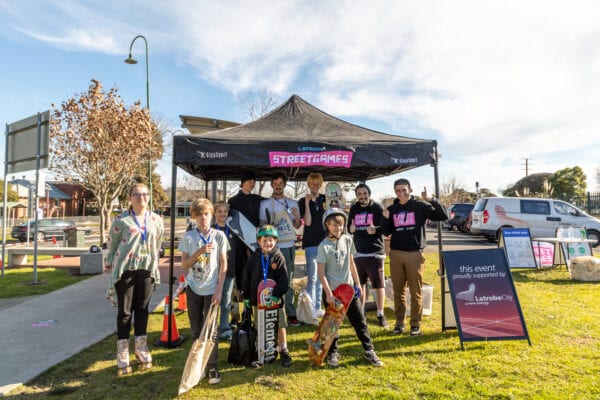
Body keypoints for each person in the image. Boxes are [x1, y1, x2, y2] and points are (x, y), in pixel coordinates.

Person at [105, 183, 164, 377]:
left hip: (146, 268)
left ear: (149, 197)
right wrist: (109, 261)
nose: (141, 197)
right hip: (126, 268)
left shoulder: (156, 220)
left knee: (142, 308)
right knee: (125, 310)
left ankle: (141, 346)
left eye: (145, 194)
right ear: (130, 197)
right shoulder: (121, 221)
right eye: (136, 194)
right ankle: (122, 350)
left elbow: (158, 242)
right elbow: (112, 243)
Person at [380, 178, 448, 336]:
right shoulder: (392, 208)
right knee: (398, 292)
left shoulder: (419, 206)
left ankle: (415, 325)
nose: (401, 193)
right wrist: (384, 217)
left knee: (416, 291)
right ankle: (399, 324)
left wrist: (431, 199)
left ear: (410, 189)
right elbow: (386, 231)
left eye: (404, 190)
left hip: (415, 254)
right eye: (398, 191)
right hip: (396, 254)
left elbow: (443, 215)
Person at [317, 208, 384, 368]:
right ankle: (332, 352)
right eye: (334, 225)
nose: (338, 228)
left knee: (360, 321)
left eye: (340, 225)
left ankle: (369, 350)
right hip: (333, 292)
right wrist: (328, 293)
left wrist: (357, 283)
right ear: (327, 225)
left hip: (349, 291)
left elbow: (351, 263)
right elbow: (321, 273)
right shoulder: (323, 246)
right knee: (332, 325)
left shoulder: (347, 240)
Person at [179, 198, 229, 384]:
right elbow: (184, 264)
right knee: (195, 329)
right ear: (194, 216)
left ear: (211, 214)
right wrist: (199, 252)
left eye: (206, 214)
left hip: (212, 289)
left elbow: (224, 265)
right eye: (199, 215)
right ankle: (196, 365)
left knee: (212, 330)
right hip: (193, 288)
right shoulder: (189, 237)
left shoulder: (219, 236)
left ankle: (212, 367)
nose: (203, 218)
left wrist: (219, 289)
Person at [241, 224, 292, 367]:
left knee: (280, 324)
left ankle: (283, 349)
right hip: (259, 301)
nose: (268, 243)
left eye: (271, 240)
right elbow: (247, 278)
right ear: (258, 241)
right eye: (264, 240)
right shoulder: (253, 258)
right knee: (260, 325)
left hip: (276, 301)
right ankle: (261, 350)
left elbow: (284, 279)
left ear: (276, 241)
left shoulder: (279, 257)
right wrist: (246, 297)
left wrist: (276, 294)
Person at [259, 172, 302, 326]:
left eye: (280, 183)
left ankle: (290, 313)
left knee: (289, 281)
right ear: (272, 185)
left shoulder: (293, 203)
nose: (278, 186)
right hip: (272, 248)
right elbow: (262, 227)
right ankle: (272, 308)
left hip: (289, 245)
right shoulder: (264, 204)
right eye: (275, 183)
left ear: (284, 185)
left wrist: (297, 217)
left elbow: (297, 226)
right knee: (270, 280)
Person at [347, 183, 388, 328]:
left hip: (375, 252)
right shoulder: (354, 208)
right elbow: (349, 227)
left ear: (369, 194)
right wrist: (351, 229)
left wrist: (375, 230)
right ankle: (361, 313)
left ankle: (380, 314)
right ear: (356, 196)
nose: (362, 196)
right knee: (360, 284)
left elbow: (384, 227)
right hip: (358, 252)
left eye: (365, 193)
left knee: (378, 284)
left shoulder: (376, 207)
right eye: (359, 194)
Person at [228, 171, 265, 325]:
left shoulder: (258, 200)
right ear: (242, 182)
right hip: (237, 249)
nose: (252, 183)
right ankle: (234, 316)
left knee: (251, 281)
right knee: (236, 282)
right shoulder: (233, 201)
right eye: (249, 180)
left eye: (254, 181)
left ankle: (247, 313)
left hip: (254, 248)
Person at [298, 172, 326, 315]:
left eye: (317, 184)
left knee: (321, 278)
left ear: (320, 185)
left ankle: (318, 307)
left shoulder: (325, 199)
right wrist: (308, 204)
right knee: (313, 277)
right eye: (312, 183)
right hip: (311, 243)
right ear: (308, 185)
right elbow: (307, 222)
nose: (314, 186)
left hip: (325, 242)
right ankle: (310, 309)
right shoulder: (303, 201)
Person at [213, 201, 237, 340]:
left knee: (226, 302)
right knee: (213, 300)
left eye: (225, 211)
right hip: (213, 272)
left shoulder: (233, 231)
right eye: (219, 211)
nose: (222, 214)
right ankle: (212, 327)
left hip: (229, 271)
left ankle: (224, 328)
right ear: (215, 213)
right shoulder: (211, 230)